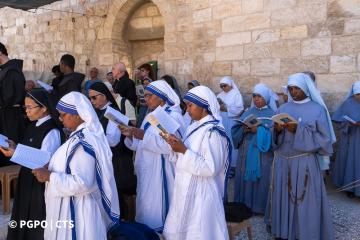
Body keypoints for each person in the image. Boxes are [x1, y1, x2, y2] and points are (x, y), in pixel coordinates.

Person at [32, 92, 120, 240]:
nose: (60, 119)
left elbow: (82, 183)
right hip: (71, 208)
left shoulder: (83, 142)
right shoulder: (79, 136)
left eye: (63, 115)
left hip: (78, 213)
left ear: (78, 115)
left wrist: (49, 176)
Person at [265, 73, 335, 240]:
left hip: (304, 162)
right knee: (282, 197)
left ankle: (304, 233)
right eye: (291, 88)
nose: (294, 92)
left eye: (297, 88)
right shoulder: (282, 109)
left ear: (306, 88)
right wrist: (277, 130)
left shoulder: (317, 109)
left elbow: (324, 140)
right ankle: (283, 231)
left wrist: (298, 130)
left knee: (304, 200)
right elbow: (273, 138)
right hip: (282, 161)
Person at [162, 85, 230, 239]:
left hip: (202, 193)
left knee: (198, 232)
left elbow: (210, 168)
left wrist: (183, 151)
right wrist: (175, 146)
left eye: (190, 105)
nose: (187, 110)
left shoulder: (213, 132)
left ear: (204, 106)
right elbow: (184, 152)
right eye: (186, 105)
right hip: (184, 188)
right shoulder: (194, 127)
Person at [121, 80, 185, 232]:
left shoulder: (170, 116)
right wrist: (130, 135)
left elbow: (171, 145)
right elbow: (142, 141)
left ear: (162, 98)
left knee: (158, 207)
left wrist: (142, 136)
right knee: (146, 204)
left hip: (160, 171)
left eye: (149, 96)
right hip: (148, 168)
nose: (146, 99)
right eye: (145, 96)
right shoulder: (153, 115)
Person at [0, 89, 62, 240]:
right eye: (25, 107)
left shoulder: (52, 131)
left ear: (44, 108)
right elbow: (31, 149)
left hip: (39, 185)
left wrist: (15, 153)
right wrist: (15, 146)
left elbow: (45, 160)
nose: (26, 111)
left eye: (29, 107)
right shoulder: (33, 125)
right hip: (27, 179)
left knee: (35, 221)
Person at [89, 82, 137, 219]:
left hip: (117, 164)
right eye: (90, 98)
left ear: (104, 96)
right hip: (107, 162)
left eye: (94, 98)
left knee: (119, 200)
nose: (91, 101)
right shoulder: (97, 112)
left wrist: (90, 136)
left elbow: (113, 140)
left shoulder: (113, 113)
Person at [231, 83, 277, 214]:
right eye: (255, 96)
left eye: (260, 97)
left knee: (262, 179)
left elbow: (276, 134)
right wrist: (244, 129)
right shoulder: (248, 112)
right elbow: (236, 129)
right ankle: (245, 205)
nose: (257, 99)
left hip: (263, 154)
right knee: (245, 177)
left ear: (267, 98)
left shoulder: (273, 114)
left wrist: (259, 130)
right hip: (246, 151)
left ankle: (259, 207)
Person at [331, 81, 360, 198]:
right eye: (358, 94)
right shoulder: (348, 103)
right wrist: (349, 124)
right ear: (353, 93)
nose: (359, 97)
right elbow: (339, 120)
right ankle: (350, 188)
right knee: (350, 162)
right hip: (350, 138)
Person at [0, 42, 26, 167]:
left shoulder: (11, 71)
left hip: (10, 119)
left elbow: (8, 97)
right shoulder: (7, 70)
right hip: (8, 116)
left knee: (8, 150)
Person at [217, 76, 244, 168]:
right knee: (222, 142)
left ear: (230, 84)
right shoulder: (220, 95)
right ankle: (222, 164)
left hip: (232, 121)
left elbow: (240, 109)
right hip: (222, 121)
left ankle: (232, 165)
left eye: (224, 86)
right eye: (221, 86)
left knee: (231, 142)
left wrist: (227, 108)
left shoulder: (236, 94)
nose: (223, 88)